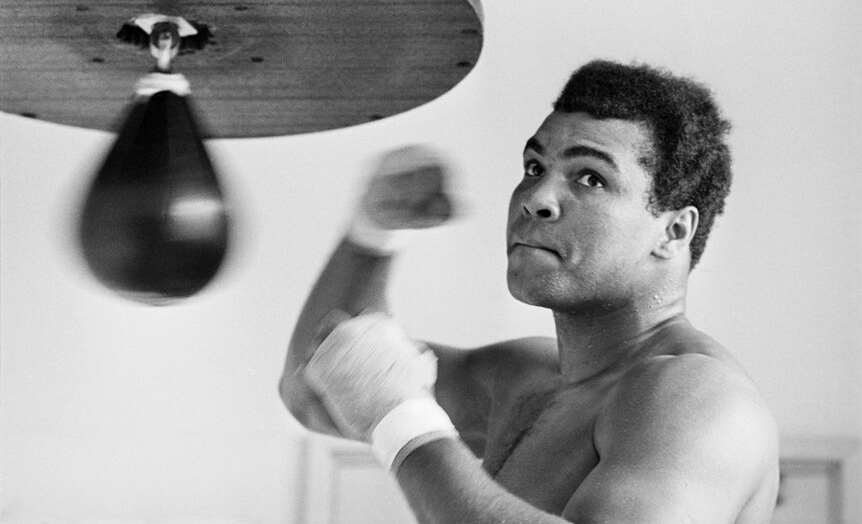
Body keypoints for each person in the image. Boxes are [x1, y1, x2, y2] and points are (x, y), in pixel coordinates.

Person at [279, 59, 780, 523]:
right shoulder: (524, 379)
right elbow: (314, 388)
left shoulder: (697, 394)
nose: (537, 198)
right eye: (535, 167)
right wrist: (372, 235)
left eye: (591, 177)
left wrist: (404, 421)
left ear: (674, 231)